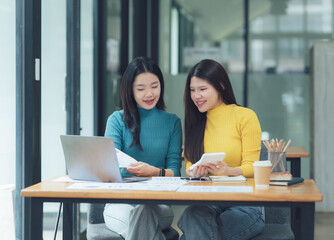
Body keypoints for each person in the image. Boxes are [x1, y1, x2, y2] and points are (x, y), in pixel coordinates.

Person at [177, 59, 265, 240]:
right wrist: (193, 171)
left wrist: (229, 171)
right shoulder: (195, 122)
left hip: (244, 205)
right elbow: (189, 160)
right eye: (192, 90)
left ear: (221, 86)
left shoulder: (245, 116)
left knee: (191, 231)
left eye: (202, 89)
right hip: (208, 202)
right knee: (194, 215)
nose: (196, 96)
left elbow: (252, 166)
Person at [103, 56, 182, 240]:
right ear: (130, 90)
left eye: (155, 86)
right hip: (118, 204)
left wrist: (153, 171)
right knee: (137, 218)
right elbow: (109, 168)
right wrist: (138, 171)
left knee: (144, 212)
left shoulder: (172, 123)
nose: (149, 94)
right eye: (141, 89)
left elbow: (175, 172)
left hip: (158, 204)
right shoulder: (116, 120)